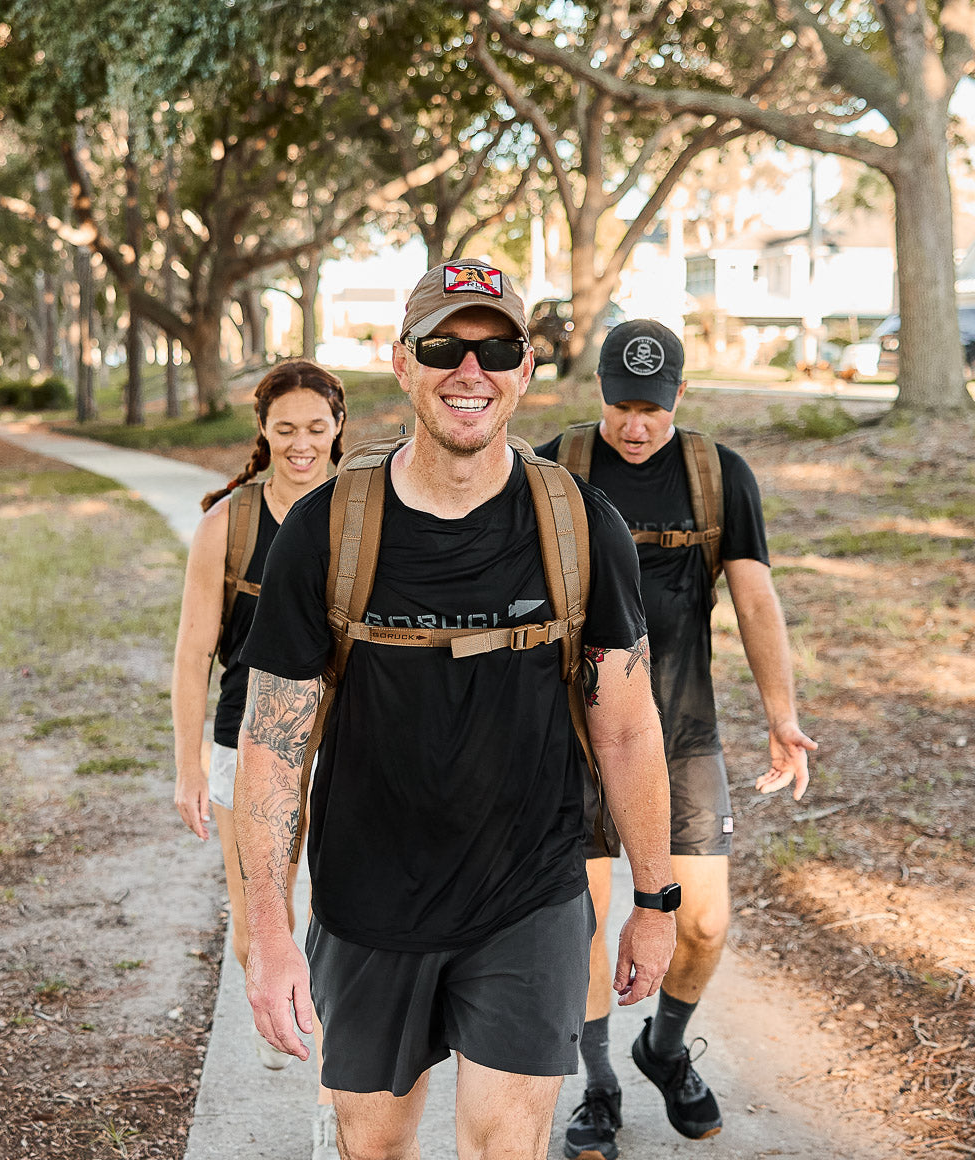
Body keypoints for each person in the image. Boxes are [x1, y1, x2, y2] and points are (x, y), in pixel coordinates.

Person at [233, 261, 679, 1160]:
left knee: (504, 1150)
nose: (468, 370)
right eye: (443, 347)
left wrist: (657, 898)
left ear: (523, 370)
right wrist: (268, 934)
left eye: (495, 348)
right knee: (376, 1149)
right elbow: (272, 748)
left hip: (529, 897)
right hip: (367, 904)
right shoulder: (323, 532)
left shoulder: (581, 525)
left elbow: (626, 725)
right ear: (403, 364)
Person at [537, 319, 817, 1156]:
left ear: (679, 399)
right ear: (599, 397)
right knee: (581, 927)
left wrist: (781, 716)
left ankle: (662, 1046)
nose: (635, 425)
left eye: (651, 410)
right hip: (573, 737)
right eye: (621, 406)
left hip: (682, 737)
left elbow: (757, 600)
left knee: (700, 924)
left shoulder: (717, 475)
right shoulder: (557, 468)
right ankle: (597, 1083)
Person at [171, 359, 346, 1159]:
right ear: (262, 431)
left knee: (352, 912)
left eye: (316, 427)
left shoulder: (365, 509)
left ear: (338, 424)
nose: (302, 444)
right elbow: (191, 654)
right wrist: (188, 768)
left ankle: (348, 1046)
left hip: (351, 746)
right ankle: (299, 1009)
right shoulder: (228, 524)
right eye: (286, 430)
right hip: (248, 745)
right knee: (256, 933)